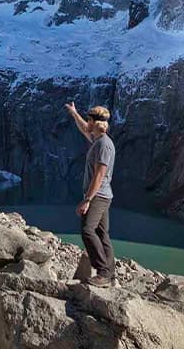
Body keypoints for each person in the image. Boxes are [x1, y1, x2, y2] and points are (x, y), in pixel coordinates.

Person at [64, 103, 116, 287]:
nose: (87, 123)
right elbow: (84, 129)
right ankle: (110, 273)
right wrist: (74, 113)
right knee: (102, 234)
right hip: (103, 195)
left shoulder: (103, 145)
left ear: (94, 122)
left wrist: (87, 199)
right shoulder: (98, 140)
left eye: (89, 120)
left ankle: (103, 273)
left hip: (98, 196)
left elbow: (99, 175)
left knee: (87, 230)